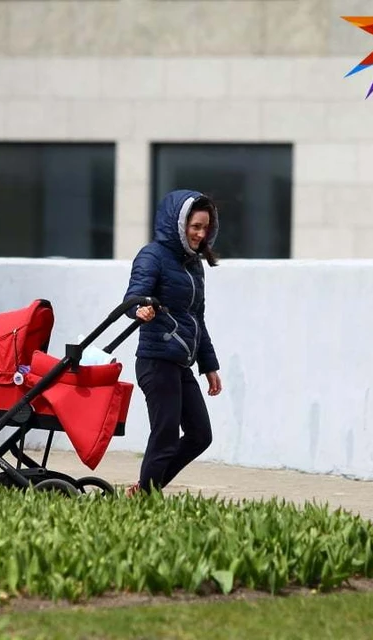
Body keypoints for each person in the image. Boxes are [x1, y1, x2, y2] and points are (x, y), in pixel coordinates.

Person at [122, 189, 223, 496]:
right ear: (179, 224)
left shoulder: (194, 265)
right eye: (195, 227)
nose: (200, 233)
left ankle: (145, 490)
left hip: (181, 362)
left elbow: (197, 318)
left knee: (200, 434)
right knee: (165, 434)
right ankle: (146, 497)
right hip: (156, 359)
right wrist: (140, 309)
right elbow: (131, 299)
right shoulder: (152, 256)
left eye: (205, 227)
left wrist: (209, 366)